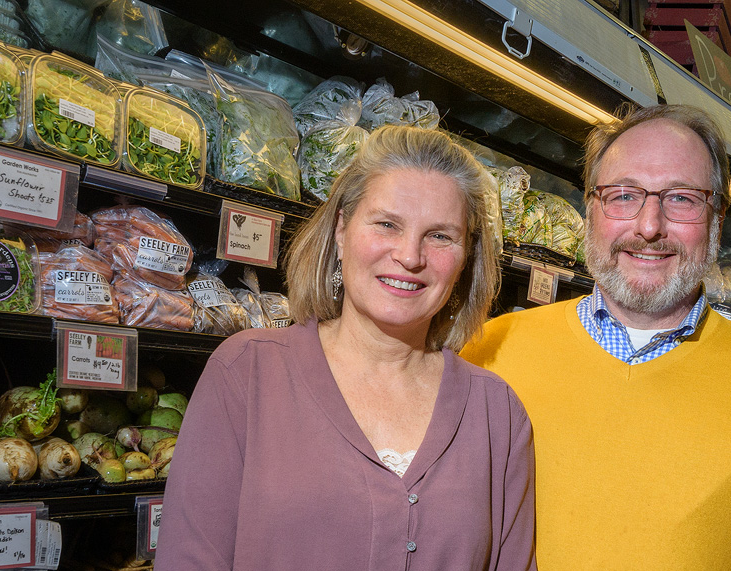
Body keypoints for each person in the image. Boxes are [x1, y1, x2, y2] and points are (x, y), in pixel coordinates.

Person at [461, 103, 731, 569]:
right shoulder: (489, 350)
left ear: (717, 220)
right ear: (591, 208)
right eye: (623, 195)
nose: (649, 227)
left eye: (681, 198)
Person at [156, 125, 534, 570]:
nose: (410, 256)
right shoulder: (247, 372)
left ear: (467, 257)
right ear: (341, 230)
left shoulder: (497, 413)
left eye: (440, 236)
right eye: (387, 224)